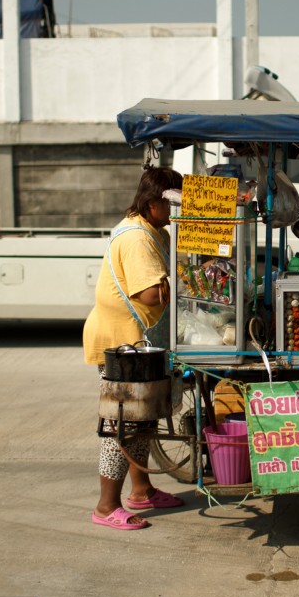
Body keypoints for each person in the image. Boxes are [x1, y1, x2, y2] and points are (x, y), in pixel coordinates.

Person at [84, 166, 186, 530]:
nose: (176, 211)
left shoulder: (155, 231)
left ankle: (141, 490)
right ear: (154, 202)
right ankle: (106, 506)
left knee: (143, 419)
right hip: (122, 344)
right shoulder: (137, 238)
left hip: (139, 341)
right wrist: (187, 284)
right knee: (123, 425)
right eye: (172, 203)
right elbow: (148, 293)